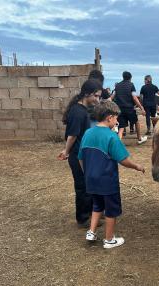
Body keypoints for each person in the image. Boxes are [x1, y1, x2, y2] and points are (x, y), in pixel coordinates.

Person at [78, 101, 145, 249]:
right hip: (107, 181)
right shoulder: (111, 136)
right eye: (116, 118)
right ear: (109, 118)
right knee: (111, 209)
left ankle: (91, 231)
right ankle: (109, 239)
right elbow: (123, 160)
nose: (117, 121)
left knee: (97, 205)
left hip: (91, 179)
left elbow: (80, 157)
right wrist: (137, 166)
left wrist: (86, 173)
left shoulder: (87, 133)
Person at [58, 79, 103, 227]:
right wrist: (66, 151)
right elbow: (72, 136)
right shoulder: (78, 112)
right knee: (82, 186)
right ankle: (83, 219)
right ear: (87, 94)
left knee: (88, 185)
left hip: (85, 154)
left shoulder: (83, 110)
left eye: (98, 96)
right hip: (78, 155)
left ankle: (91, 214)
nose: (97, 99)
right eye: (95, 96)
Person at [110, 71, 148, 144]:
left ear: (123, 77)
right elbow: (134, 98)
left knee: (121, 127)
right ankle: (139, 138)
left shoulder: (117, 85)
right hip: (129, 108)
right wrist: (141, 108)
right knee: (136, 122)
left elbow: (112, 97)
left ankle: (118, 142)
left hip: (120, 109)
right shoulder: (131, 85)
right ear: (130, 78)